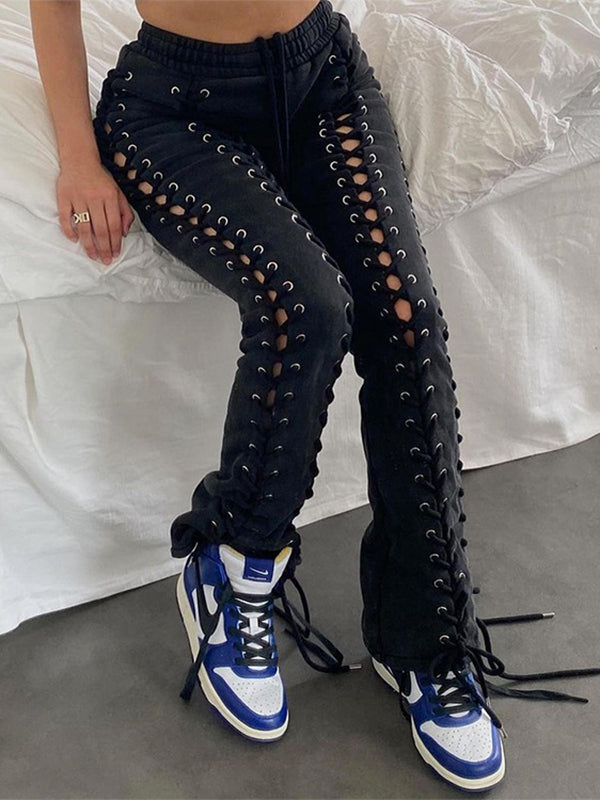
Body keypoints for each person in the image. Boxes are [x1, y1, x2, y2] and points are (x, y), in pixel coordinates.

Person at [30, 0, 600, 793]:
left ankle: (425, 634)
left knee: (405, 316)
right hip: (173, 109)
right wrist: (77, 156)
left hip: (322, 76)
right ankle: (233, 557)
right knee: (309, 308)